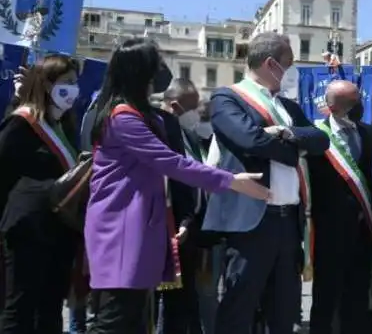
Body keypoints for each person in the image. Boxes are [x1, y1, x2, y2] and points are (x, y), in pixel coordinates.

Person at [85, 39, 269, 334]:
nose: (161, 72)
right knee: (115, 320)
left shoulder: (136, 114)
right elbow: (172, 163)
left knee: (131, 319)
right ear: (140, 73)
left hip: (136, 227)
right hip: (121, 229)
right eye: (156, 65)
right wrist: (230, 181)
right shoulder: (123, 118)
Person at [202, 33, 329, 334]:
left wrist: (284, 132)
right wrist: (292, 149)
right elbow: (251, 139)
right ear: (271, 64)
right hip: (251, 223)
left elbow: (321, 140)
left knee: (283, 312)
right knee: (239, 309)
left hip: (287, 223)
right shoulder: (227, 98)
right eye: (289, 63)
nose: (292, 70)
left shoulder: (287, 107)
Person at [0, 54, 82, 333]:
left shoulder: (67, 127)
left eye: (75, 82)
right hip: (27, 228)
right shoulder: (22, 123)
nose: (73, 89)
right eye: (66, 82)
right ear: (46, 85)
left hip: (60, 230)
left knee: (49, 310)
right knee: (20, 308)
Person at [308, 80, 372, 334]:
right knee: (326, 298)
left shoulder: (369, 133)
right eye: (352, 102)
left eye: (358, 99)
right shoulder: (316, 136)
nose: (358, 106)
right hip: (330, 233)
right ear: (333, 107)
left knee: (357, 298)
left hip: (363, 231)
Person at [156, 78, 209, 334]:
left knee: (188, 300)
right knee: (169, 304)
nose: (196, 115)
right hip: (169, 230)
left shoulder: (189, 135)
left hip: (192, 227)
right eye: (192, 109)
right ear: (175, 106)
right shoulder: (160, 134)